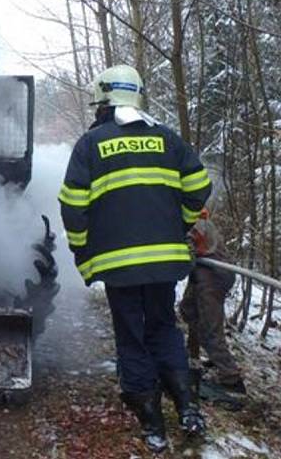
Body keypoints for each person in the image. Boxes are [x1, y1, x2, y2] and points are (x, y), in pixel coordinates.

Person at [58, 64, 212, 453]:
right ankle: (188, 408)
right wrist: (177, 225)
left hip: (118, 264)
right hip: (165, 261)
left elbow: (73, 206)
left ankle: (152, 423)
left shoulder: (92, 144)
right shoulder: (167, 139)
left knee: (131, 333)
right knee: (162, 326)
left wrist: (81, 248)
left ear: (105, 99)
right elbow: (199, 187)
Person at [180, 209, 246, 406]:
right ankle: (193, 356)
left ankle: (231, 379)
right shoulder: (191, 217)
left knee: (210, 328)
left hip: (213, 276)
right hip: (205, 273)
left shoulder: (191, 223)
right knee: (188, 309)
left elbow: (188, 258)